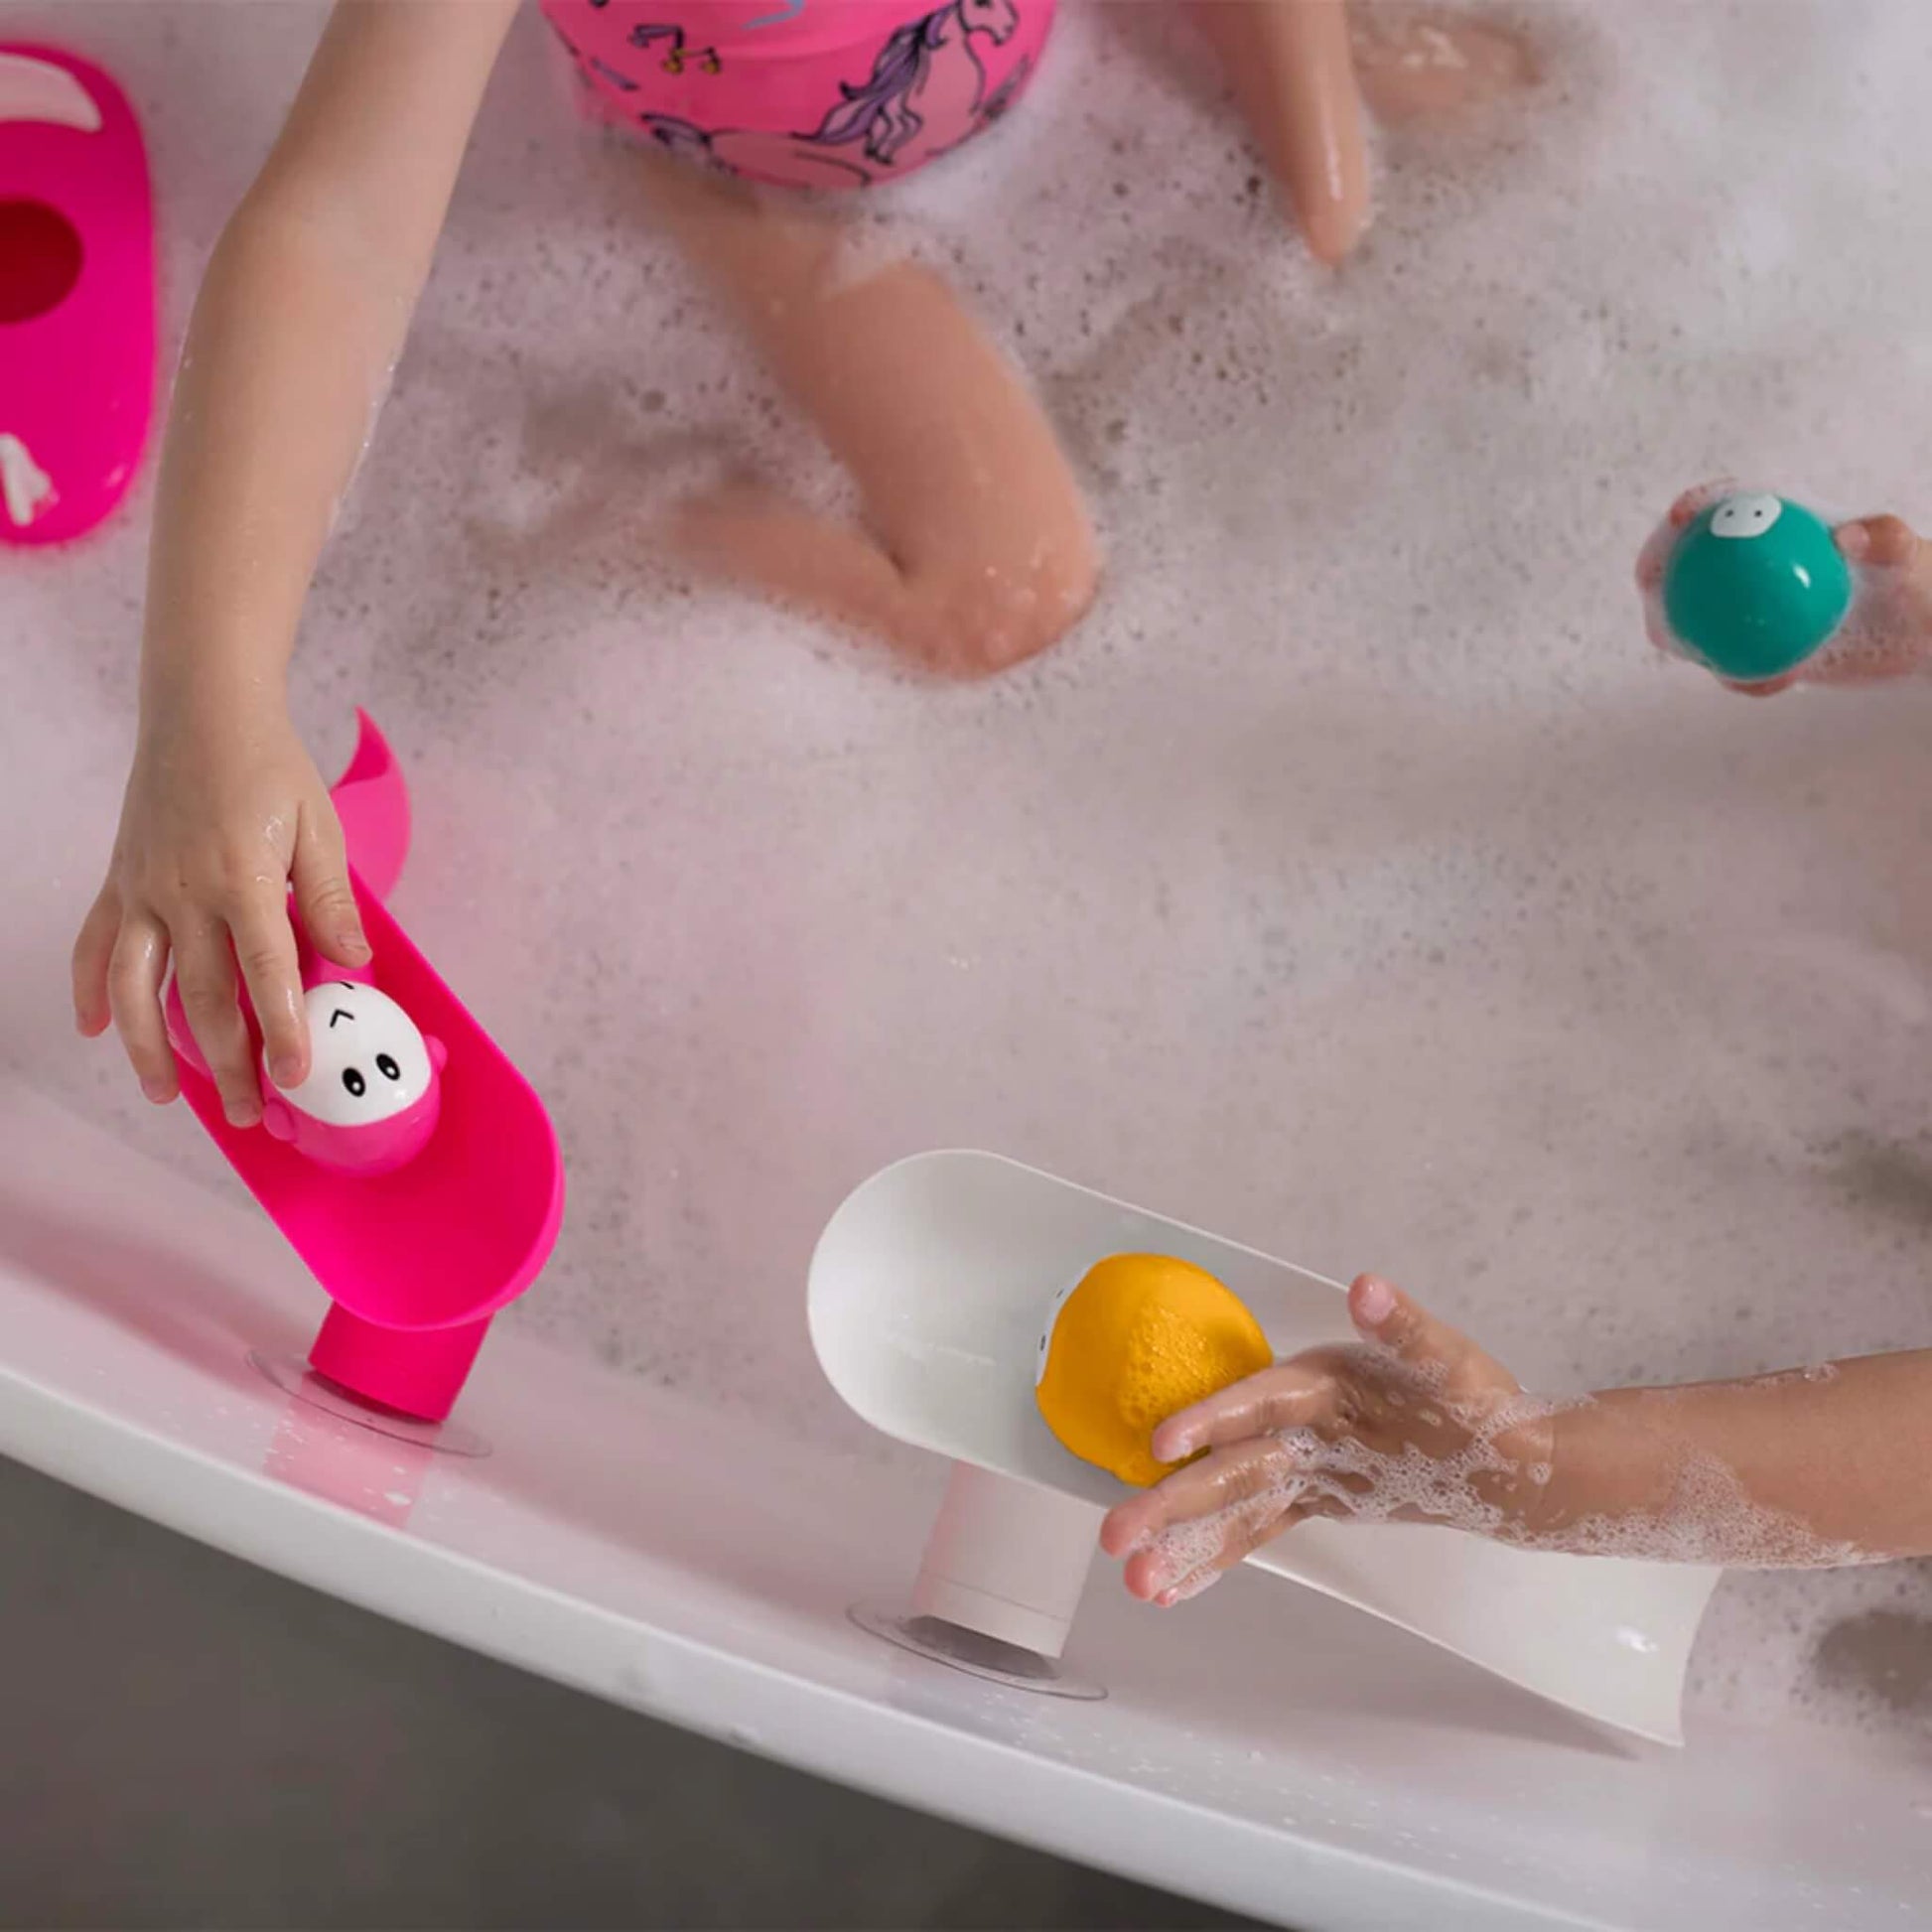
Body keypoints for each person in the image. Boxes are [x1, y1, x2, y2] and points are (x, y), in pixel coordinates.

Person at [70, 0, 1530, 1131]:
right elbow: (335, 229)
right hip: (761, 188)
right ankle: (608, 504)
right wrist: (210, 698)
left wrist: (1326, 180)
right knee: (1002, 592)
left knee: (1505, 102)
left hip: (1038, 54)